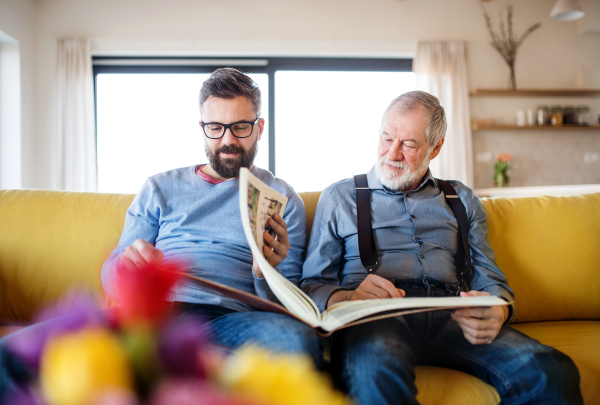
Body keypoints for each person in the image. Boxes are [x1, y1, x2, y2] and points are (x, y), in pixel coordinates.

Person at [0, 68, 321, 402]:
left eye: (241, 127)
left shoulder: (282, 199)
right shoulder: (160, 187)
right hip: (154, 314)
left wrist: (263, 271)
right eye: (216, 127)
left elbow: (288, 305)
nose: (228, 140)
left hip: (236, 318)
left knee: (294, 342)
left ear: (259, 127)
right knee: (9, 354)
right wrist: (130, 265)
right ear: (202, 129)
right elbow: (111, 277)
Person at [300, 90, 582, 405]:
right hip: (375, 318)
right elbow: (312, 285)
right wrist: (349, 297)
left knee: (549, 369)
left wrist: (499, 309)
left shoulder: (461, 199)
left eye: (408, 144)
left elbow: (489, 279)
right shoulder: (340, 196)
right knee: (376, 368)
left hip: (452, 315)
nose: (392, 154)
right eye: (386, 138)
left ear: (436, 147)